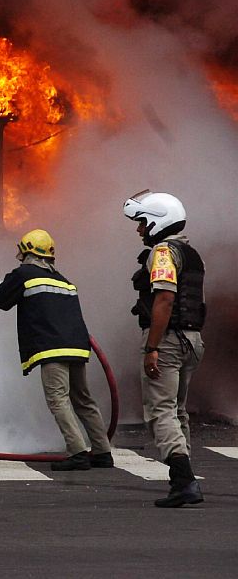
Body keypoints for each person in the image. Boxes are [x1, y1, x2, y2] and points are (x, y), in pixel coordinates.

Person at [0, 229, 113, 471]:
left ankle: (78, 452)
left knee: (58, 399)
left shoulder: (23, 274)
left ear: (28, 252)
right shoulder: (64, 281)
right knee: (83, 399)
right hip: (77, 347)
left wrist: (11, 280)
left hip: (52, 349)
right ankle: (102, 451)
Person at [123, 190, 206, 508]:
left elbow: (165, 298)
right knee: (178, 411)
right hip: (192, 340)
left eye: (142, 222)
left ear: (158, 221)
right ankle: (183, 479)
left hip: (168, 341)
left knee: (161, 412)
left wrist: (152, 348)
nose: (139, 229)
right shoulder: (191, 252)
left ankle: (183, 483)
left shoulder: (162, 253)